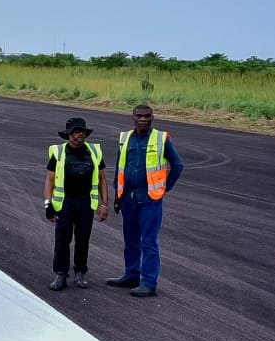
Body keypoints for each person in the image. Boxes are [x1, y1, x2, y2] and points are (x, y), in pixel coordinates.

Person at [108, 103, 184, 297]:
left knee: (149, 242)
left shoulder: (161, 139)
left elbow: (177, 165)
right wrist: (117, 195)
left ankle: (149, 282)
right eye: (139, 116)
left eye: (147, 116)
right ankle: (131, 274)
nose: (143, 119)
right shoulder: (125, 138)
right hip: (128, 198)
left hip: (150, 198)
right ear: (133, 117)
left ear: (152, 118)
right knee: (130, 240)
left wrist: (164, 187)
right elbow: (120, 166)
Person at [44, 117, 110, 291]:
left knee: (83, 239)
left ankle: (80, 272)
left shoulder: (94, 152)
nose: (80, 134)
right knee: (62, 239)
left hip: (85, 203)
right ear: (68, 134)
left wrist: (104, 205)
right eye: (76, 131)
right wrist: (47, 204)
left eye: (82, 131)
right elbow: (50, 180)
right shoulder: (58, 153)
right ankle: (60, 274)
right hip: (65, 202)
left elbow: (102, 179)